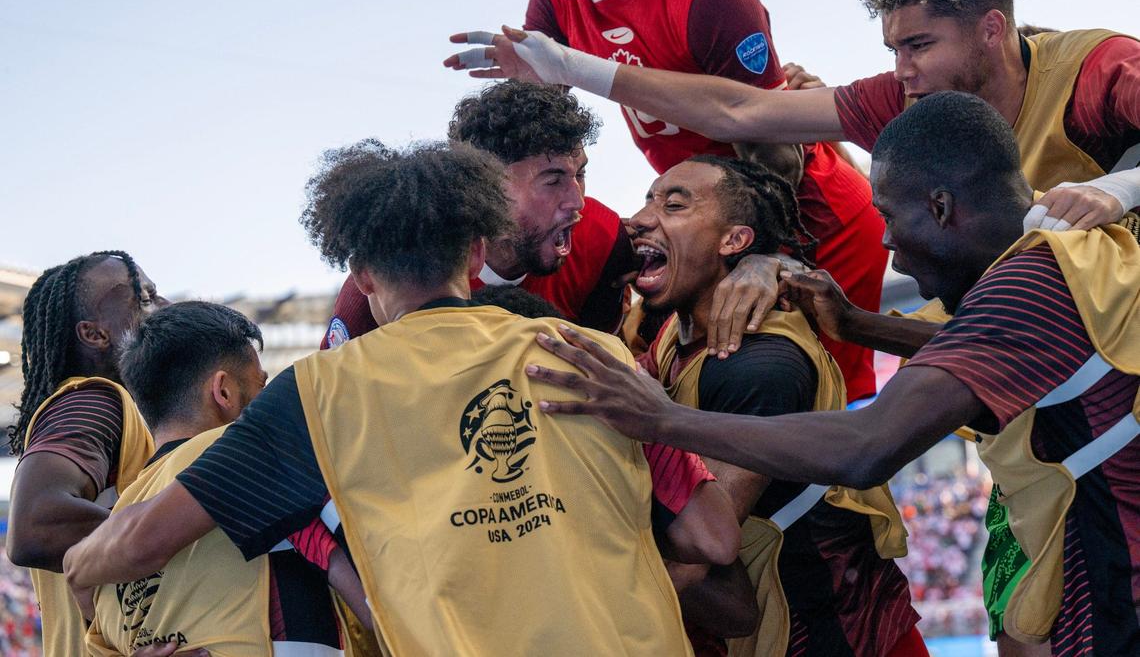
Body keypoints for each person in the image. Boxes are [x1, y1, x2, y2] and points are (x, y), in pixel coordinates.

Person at [64, 140, 742, 655]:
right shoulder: (589, 350)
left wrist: (80, 567)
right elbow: (712, 533)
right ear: (477, 252)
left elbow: (142, 540)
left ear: (359, 271)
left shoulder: (319, 392)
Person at [528, 92, 1140, 656]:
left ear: (942, 207)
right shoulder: (1057, 267)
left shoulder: (1025, 285)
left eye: (891, 219)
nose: (890, 248)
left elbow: (866, 447)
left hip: (853, 626)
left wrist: (661, 419)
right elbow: (989, 345)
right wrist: (856, 324)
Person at [448, 0, 1140, 238]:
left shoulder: (1098, 68)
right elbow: (743, 112)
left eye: (920, 46)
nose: (901, 70)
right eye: (892, 48)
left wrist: (1118, 189)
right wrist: (568, 68)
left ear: (992, 30)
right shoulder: (900, 100)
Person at [505, 0, 885, 395]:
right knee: (685, 388)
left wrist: (764, 257)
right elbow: (539, 134)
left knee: (800, 404)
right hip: (699, 228)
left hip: (808, 221)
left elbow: (776, 157)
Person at [627, 154, 921, 656]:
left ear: (734, 240)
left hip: (827, 635)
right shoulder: (670, 329)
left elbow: (693, 562)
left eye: (674, 205)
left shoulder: (756, 363)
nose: (640, 219)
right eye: (648, 199)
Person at [322, 81, 788, 363]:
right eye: (553, 180)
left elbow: (706, 258)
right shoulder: (392, 274)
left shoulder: (602, 237)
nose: (577, 201)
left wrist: (766, 263)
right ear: (487, 186)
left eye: (581, 174)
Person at [85, 300, 369, 656]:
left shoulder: (112, 532)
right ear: (223, 392)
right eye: (261, 385)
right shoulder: (259, 458)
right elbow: (376, 599)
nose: (268, 400)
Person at [5, 251, 166, 657]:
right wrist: (174, 536)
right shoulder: (94, 400)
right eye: (143, 298)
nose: (163, 306)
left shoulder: (123, 411)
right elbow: (34, 525)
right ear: (94, 334)